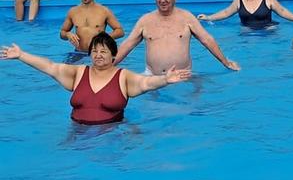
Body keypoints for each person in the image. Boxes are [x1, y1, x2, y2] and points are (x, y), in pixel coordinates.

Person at [1, 32, 191, 125]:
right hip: (76, 134)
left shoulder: (123, 77)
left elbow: (145, 82)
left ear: (113, 56)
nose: (98, 55)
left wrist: (165, 79)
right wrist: (21, 55)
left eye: (103, 51)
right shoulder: (78, 73)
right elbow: (50, 67)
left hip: (112, 137)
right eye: (94, 51)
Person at [114, 0, 240, 75]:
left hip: (182, 77)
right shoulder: (145, 20)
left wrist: (226, 62)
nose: (162, 0)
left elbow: (207, 40)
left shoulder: (187, 18)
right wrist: (109, 65)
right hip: (152, 77)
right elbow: (127, 45)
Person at [60, 0, 124, 55]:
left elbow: (120, 31)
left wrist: (103, 38)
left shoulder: (104, 11)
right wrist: (67, 34)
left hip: (98, 54)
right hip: (78, 53)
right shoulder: (73, 12)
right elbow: (62, 33)